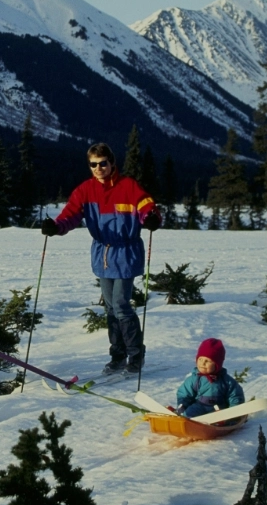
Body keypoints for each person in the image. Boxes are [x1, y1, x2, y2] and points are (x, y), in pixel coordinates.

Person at [41, 142, 160, 376]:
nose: (98, 168)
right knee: (111, 308)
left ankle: (136, 356)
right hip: (102, 254)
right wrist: (56, 226)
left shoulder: (128, 186)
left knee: (121, 305)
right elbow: (70, 214)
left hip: (126, 253)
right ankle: (118, 356)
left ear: (112, 163)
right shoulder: (85, 190)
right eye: (93, 164)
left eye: (102, 163)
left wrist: (150, 218)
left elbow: (146, 206)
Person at [176, 338, 245, 418]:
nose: (203, 363)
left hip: (218, 409)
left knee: (223, 417)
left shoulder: (226, 381)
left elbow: (235, 396)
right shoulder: (194, 379)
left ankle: (222, 422)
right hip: (199, 406)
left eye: (207, 361)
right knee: (189, 413)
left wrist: (234, 410)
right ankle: (186, 419)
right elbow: (184, 394)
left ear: (217, 364)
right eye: (200, 359)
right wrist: (182, 405)